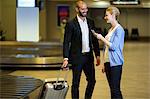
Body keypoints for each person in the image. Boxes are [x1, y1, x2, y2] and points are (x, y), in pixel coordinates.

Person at [62, 0, 100, 99]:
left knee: (92, 81)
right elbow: (66, 42)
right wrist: (65, 58)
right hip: (77, 57)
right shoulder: (71, 24)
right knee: (76, 84)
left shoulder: (91, 22)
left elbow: (94, 39)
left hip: (88, 57)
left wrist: (97, 55)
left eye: (86, 8)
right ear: (77, 9)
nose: (85, 11)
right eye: (82, 9)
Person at [92, 6, 125, 99]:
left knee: (115, 89)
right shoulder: (110, 29)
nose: (105, 17)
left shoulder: (119, 30)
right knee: (112, 89)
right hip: (108, 63)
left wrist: (101, 38)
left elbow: (114, 46)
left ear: (113, 15)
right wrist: (104, 63)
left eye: (106, 15)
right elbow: (106, 49)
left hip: (116, 63)